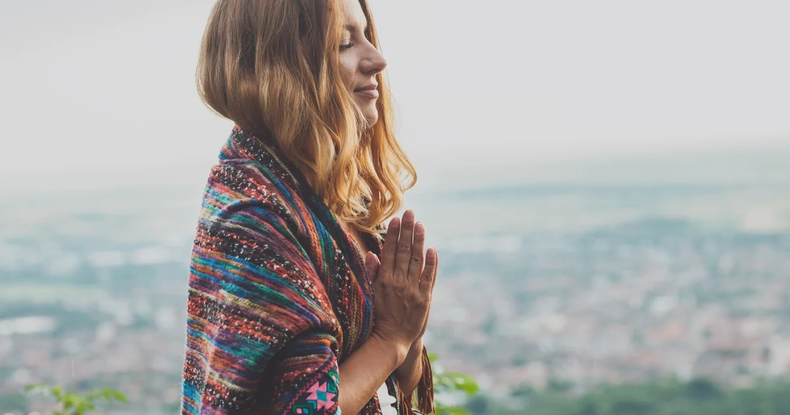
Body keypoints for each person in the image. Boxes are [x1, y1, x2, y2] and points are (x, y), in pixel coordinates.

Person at [179, 0, 439, 414]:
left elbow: (395, 385)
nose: (377, 59)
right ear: (280, 66)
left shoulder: (335, 193)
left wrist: (407, 327)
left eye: (367, 36)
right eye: (343, 44)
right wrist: (391, 337)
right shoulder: (254, 218)